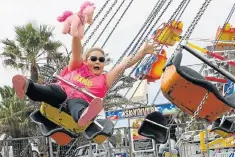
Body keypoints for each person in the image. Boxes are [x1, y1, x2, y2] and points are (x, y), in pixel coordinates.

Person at [12, 24, 159, 127]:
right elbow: (76, 51)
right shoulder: (77, 66)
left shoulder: (104, 79)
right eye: (93, 59)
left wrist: (141, 53)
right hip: (61, 93)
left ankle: (84, 116)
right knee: (48, 90)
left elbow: (124, 65)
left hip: (78, 102)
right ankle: (26, 85)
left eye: (101, 60)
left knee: (77, 105)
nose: (98, 62)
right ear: (86, 60)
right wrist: (76, 35)